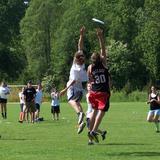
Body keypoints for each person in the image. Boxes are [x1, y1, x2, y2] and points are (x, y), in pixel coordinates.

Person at [60, 26, 87, 134]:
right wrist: (81, 35)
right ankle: (80, 123)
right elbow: (79, 46)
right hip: (81, 90)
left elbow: (73, 81)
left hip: (73, 87)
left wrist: (64, 89)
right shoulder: (83, 65)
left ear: (75, 59)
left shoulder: (75, 68)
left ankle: (80, 115)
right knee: (78, 105)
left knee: (70, 101)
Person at [87, 28, 110, 143]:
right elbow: (103, 49)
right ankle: (94, 131)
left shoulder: (90, 67)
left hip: (93, 92)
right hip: (103, 92)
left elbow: (90, 80)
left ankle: (90, 136)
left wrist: (91, 84)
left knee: (94, 111)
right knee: (102, 112)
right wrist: (100, 37)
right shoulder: (104, 64)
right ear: (100, 58)